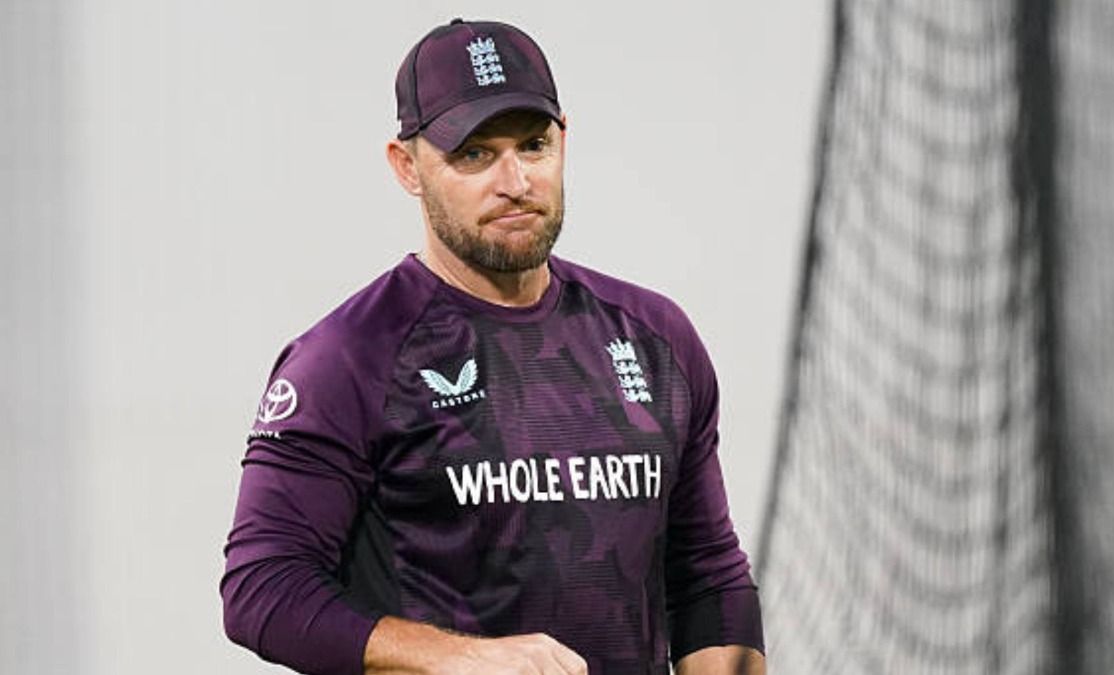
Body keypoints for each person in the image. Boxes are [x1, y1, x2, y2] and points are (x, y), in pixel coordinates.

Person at [221, 18, 765, 675]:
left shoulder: (655, 339)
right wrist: (460, 658)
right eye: (474, 153)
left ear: (564, 139)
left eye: (533, 145)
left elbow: (705, 574)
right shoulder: (349, 358)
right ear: (407, 166)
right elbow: (263, 589)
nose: (514, 180)